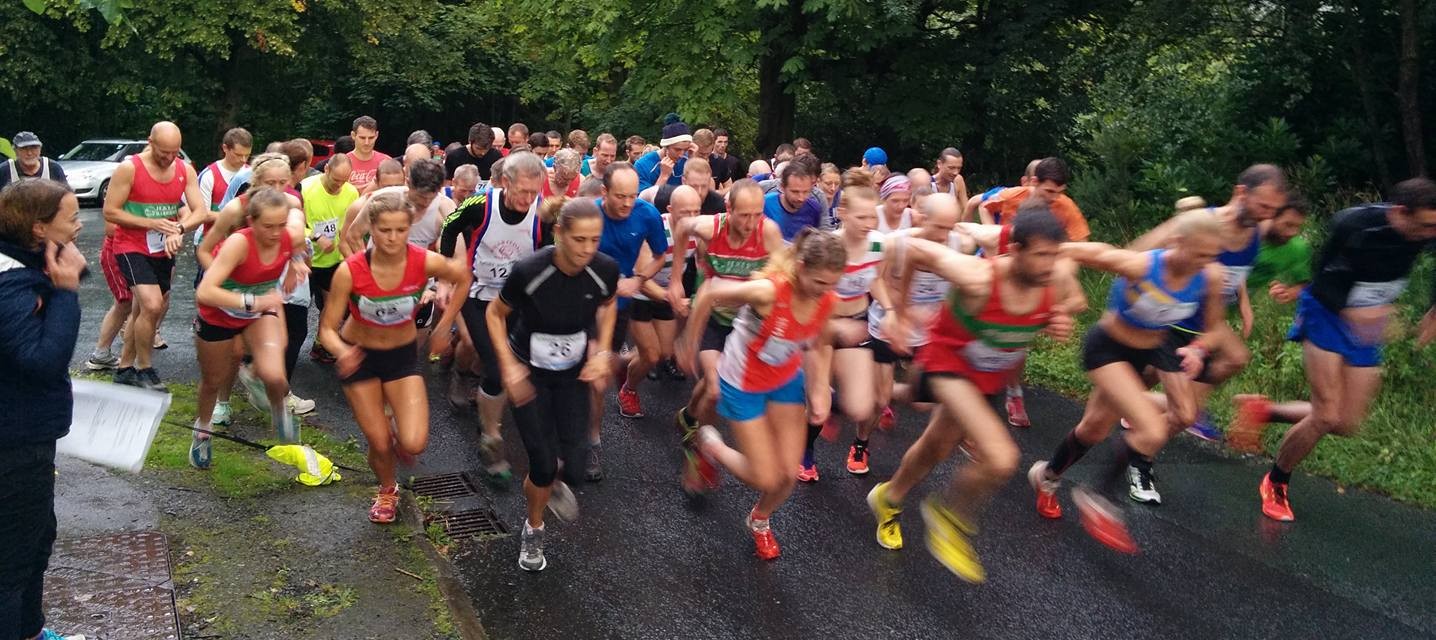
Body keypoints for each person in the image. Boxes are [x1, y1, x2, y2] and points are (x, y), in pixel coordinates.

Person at [869, 206, 1081, 582]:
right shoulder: (977, 277)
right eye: (1041, 255)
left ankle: (889, 497)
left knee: (937, 446)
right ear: (1014, 250)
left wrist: (1056, 317)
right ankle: (948, 515)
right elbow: (914, 251)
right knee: (1001, 458)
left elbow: (1071, 302)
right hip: (947, 364)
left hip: (987, 376)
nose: (1050, 264)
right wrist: (899, 314)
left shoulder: (1055, 279)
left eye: (1055, 254)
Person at [1027, 210, 1228, 553]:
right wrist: (1048, 290)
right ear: (1177, 243)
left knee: (1095, 429)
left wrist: (1197, 348)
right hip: (1109, 350)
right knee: (1149, 430)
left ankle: (1046, 476)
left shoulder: (1208, 276)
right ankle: (1099, 497)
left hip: (1154, 351)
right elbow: (1082, 252)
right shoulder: (1141, 267)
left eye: (1212, 255)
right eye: (1199, 253)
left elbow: (1214, 329)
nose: (1205, 262)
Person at [1240, 178, 1436, 522]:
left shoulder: (1426, 228)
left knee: (1345, 423)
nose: (1429, 234)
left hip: (1368, 321)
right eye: (1424, 226)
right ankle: (1276, 482)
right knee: (1326, 414)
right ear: (1401, 212)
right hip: (1327, 314)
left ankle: (1264, 411)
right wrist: (1361, 315)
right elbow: (1324, 283)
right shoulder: (1355, 225)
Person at [679, 228, 844, 560]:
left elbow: (821, 344)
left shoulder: (827, 300)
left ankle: (760, 520)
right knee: (765, 476)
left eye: (832, 284)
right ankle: (710, 445)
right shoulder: (768, 292)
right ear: (800, 267)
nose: (825, 292)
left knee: (787, 475)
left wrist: (819, 390)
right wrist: (689, 342)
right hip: (743, 382)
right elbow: (710, 291)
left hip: (784, 379)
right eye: (819, 283)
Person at [1120, 165, 1287, 478]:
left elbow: (1235, 273)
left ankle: (1145, 405)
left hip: (1209, 321)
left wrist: (1246, 304)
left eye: (1273, 210)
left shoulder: (1258, 229)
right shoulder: (1201, 223)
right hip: (1175, 314)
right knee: (1180, 408)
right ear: (1240, 193)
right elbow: (1135, 254)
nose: (1267, 215)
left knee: (1236, 358)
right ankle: (1141, 447)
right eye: (1263, 206)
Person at [320, 192, 471, 522]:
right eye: (384, 230)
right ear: (371, 229)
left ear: (410, 227)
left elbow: (463, 277)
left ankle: (392, 424)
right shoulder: (351, 270)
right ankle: (387, 489)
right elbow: (327, 331)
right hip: (360, 357)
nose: (392, 238)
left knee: (414, 444)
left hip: (401, 357)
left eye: (400, 230)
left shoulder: (422, 261)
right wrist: (343, 352)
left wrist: (444, 327)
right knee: (379, 441)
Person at [486, 199, 619, 571]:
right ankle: (534, 526)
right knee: (543, 464)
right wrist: (509, 367)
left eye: (594, 240)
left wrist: (603, 350)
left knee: (575, 471)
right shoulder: (530, 270)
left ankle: (553, 477)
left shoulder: (604, 269)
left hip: (573, 375)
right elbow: (494, 314)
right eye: (579, 239)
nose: (587, 249)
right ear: (559, 233)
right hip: (530, 373)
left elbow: (609, 304)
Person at [0, 179, 85, 640]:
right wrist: (67, 292)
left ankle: (32, 631)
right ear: (38, 228)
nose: (79, 226)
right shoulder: (9, 281)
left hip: (27, 437)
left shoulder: (27, 263)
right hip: (12, 445)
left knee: (36, 542)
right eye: (71, 219)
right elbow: (41, 360)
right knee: (11, 561)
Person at [669, 180, 786, 487]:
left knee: (711, 387)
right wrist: (676, 279)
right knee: (715, 387)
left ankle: (689, 416)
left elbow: (782, 279)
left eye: (757, 215)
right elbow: (681, 228)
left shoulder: (769, 232)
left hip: (746, 324)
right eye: (743, 215)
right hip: (712, 317)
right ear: (728, 209)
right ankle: (701, 452)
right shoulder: (711, 227)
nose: (750, 224)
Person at [189, 187, 309, 468]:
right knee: (212, 381)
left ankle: (280, 419)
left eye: (281, 225)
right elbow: (205, 292)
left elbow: (299, 246)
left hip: (258, 313)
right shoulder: (239, 243)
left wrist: (297, 263)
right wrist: (251, 300)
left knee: (275, 375)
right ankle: (203, 430)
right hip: (219, 313)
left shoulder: (289, 236)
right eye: (268, 226)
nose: (276, 233)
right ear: (251, 221)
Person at [452, 152, 548, 480]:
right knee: (496, 364)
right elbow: (450, 228)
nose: (526, 199)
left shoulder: (542, 211)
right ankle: (491, 437)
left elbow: (548, 255)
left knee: (518, 365)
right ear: (505, 182)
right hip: (478, 296)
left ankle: (484, 397)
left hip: (516, 301)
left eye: (533, 192)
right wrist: (448, 274)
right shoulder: (480, 204)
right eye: (521, 191)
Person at [199, 154, 315, 417]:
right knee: (233, 351)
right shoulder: (236, 209)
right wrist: (224, 282)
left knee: (276, 343)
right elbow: (205, 249)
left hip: (263, 283)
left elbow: (296, 237)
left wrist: (296, 259)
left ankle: (268, 390)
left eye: (282, 183)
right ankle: (223, 403)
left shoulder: (291, 204)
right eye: (269, 182)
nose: (275, 189)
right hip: (228, 277)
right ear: (255, 181)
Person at [104, 121, 208, 391]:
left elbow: (200, 212)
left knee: (144, 310)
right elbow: (111, 212)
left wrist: (179, 229)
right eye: (164, 152)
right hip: (130, 245)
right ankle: (144, 367)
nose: (169, 158)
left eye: (175, 152)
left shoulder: (185, 170)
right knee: (151, 305)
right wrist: (151, 223)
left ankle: (125, 367)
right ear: (150, 142)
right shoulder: (130, 168)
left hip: (162, 248)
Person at [801, 175, 889, 480]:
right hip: (824, 328)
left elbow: (875, 279)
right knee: (818, 408)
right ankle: (806, 452)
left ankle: (837, 412)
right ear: (842, 213)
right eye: (861, 216)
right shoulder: (829, 246)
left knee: (862, 406)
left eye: (872, 215)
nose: (868, 222)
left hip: (856, 323)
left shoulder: (879, 244)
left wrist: (890, 310)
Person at [586, 162, 668, 478]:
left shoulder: (646, 214)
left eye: (632, 196)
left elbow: (660, 255)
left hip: (616, 307)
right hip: (579, 302)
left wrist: (638, 279)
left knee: (596, 376)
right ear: (604, 191)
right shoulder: (588, 213)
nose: (627, 203)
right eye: (620, 196)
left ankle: (592, 441)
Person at [620, 185, 702, 416]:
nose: (693, 218)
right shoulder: (655, 229)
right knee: (651, 355)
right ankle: (629, 390)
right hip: (639, 295)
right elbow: (641, 280)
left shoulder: (698, 230)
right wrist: (672, 299)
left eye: (697, 211)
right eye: (686, 212)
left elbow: (706, 265)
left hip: (666, 295)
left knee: (664, 352)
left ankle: (620, 363)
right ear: (669, 209)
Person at [302, 152, 360, 363]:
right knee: (299, 309)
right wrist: (316, 236)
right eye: (336, 180)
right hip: (306, 259)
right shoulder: (306, 188)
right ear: (326, 169)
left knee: (334, 306)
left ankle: (321, 345)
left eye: (344, 181)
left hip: (333, 260)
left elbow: (350, 228)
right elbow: (293, 223)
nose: (339, 186)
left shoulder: (351, 192)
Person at [194, 128, 253, 246]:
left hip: (239, 243)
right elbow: (202, 214)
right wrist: (237, 216)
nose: (243, 160)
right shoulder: (209, 175)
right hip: (209, 242)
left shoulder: (252, 174)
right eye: (238, 155)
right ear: (225, 148)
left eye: (247, 155)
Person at [1251, 192, 1313, 304]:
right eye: (1288, 225)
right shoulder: (1243, 235)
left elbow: (1305, 285)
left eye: (1298, 226)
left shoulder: (1297, 248)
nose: (1293, 232)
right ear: (1270, 217)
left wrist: (1290, 292)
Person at [763, 154, 826, 241]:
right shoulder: (765, 204)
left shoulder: (814, 209)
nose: (801, 198)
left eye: (806, 192)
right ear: (782, 187)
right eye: (795, 192)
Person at [633, 116, 692, 191]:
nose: (681, 155)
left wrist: (696, 160)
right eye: (677, 150)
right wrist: (664, 176)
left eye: (685, 149)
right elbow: (643, 201)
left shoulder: (688, 159)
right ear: (665, 147)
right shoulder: (642, 165)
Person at [0, 131, 68, 190]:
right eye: (24, 149)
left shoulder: (53, 168)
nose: (29, 153)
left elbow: (66, 197)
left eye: (34, 148)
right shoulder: (4, 170)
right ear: (15, 151)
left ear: (40, 149)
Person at [346, 116, 392, 191]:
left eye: (371, 138)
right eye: (362, 138)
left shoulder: (386, 161)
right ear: (353, 135)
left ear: (376, 135)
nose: (367, 143)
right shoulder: (343, 162)